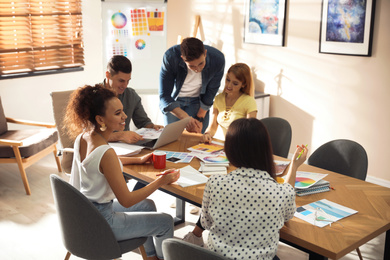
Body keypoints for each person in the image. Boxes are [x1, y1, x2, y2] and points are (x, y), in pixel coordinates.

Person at [64, 84, 180, 260]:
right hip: (103, 220)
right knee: (165, 221)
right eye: (118, 113)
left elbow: (98, 164)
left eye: (122, 111)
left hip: (85, 211)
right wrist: (161, 181)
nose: (125, 116)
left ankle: (150, 256)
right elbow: (126, 200)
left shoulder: (84, 136)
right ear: (101, 119)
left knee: (147, 206)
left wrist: (138, 159)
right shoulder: (106, 152)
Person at [198, 118, 307, 259]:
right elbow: (288, 214)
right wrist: (294, 166)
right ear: (266, 149)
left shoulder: (214, 183)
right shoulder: (280, 193)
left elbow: (206, 223)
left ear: (229, 150)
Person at [159, 37, 225, 134]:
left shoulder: (218, 59)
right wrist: (186, 118)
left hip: (198, 102)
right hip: (175, 103)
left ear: (205, 53)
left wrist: (200, 118)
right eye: (192, 66)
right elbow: (164, 96)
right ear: (183, 59)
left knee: (197, 141)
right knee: (171, 138)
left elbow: (211, 92)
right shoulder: (170, 57)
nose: (197, 69)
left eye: (201, 63)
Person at [104, 55, 163, 144]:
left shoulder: (131, 95)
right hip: (102, 148)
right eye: (121, 81)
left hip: (126, 148)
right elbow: (88, 135)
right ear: (108, 75)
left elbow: (143, 122)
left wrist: (154, 128)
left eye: (128, 81)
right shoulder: (92, 96)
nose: (125, 85)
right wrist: (121, 135)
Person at [202, 63, 257, 143]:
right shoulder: (219, 98)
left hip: (241, 145)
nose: (229, 85)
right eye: (228, 80)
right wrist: (208, 134)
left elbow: (250, 132)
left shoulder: (249, 102)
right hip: (226, 145)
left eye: (235, 83)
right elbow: (213, 125)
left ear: (243, 84)